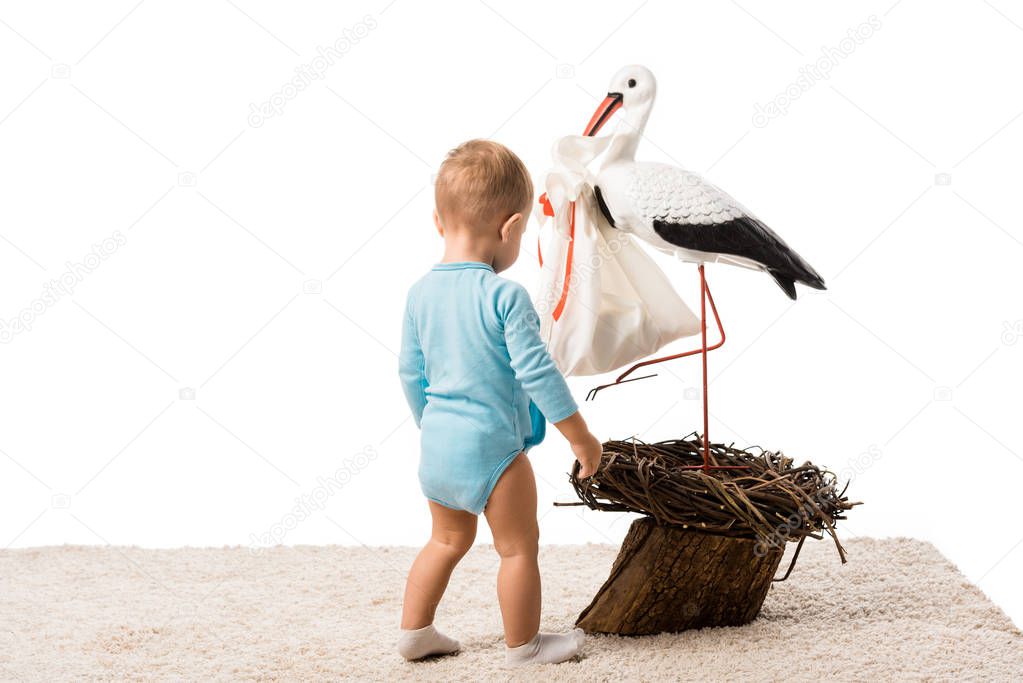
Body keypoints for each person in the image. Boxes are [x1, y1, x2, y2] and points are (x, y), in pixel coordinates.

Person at [397, 139, 602, 667]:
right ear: (509, 229)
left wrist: (434, 424)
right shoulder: (504, 296)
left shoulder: (420, 294)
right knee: (516, 549)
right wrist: (580, 437)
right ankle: (525, 648)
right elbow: (537, 372)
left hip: (437, 446)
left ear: (439, 223)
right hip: (496, 452)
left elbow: (410, 372)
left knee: (445, 540)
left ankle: (415, 633)